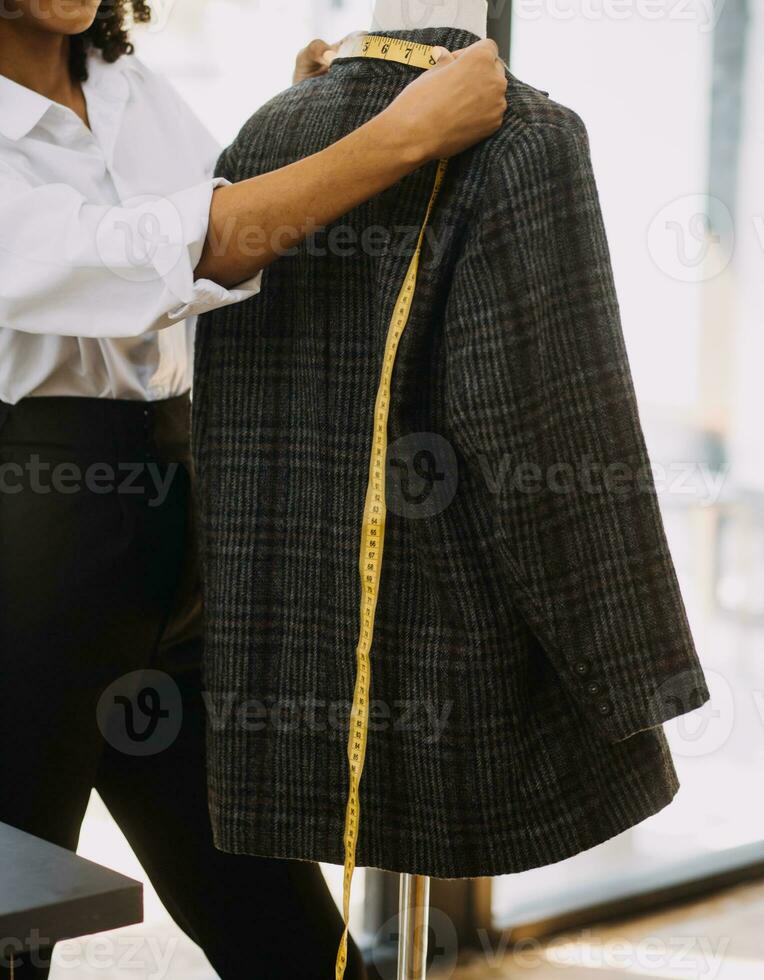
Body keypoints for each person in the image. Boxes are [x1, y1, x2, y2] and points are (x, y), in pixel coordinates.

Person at [0, 1, 507, 978]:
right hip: (30, 557)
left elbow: (240, 210)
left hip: (173, 546)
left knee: (287, 935)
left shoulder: (128, 89)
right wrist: (400, 133)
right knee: (14, 931)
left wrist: (308, 117)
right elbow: (192, 244)